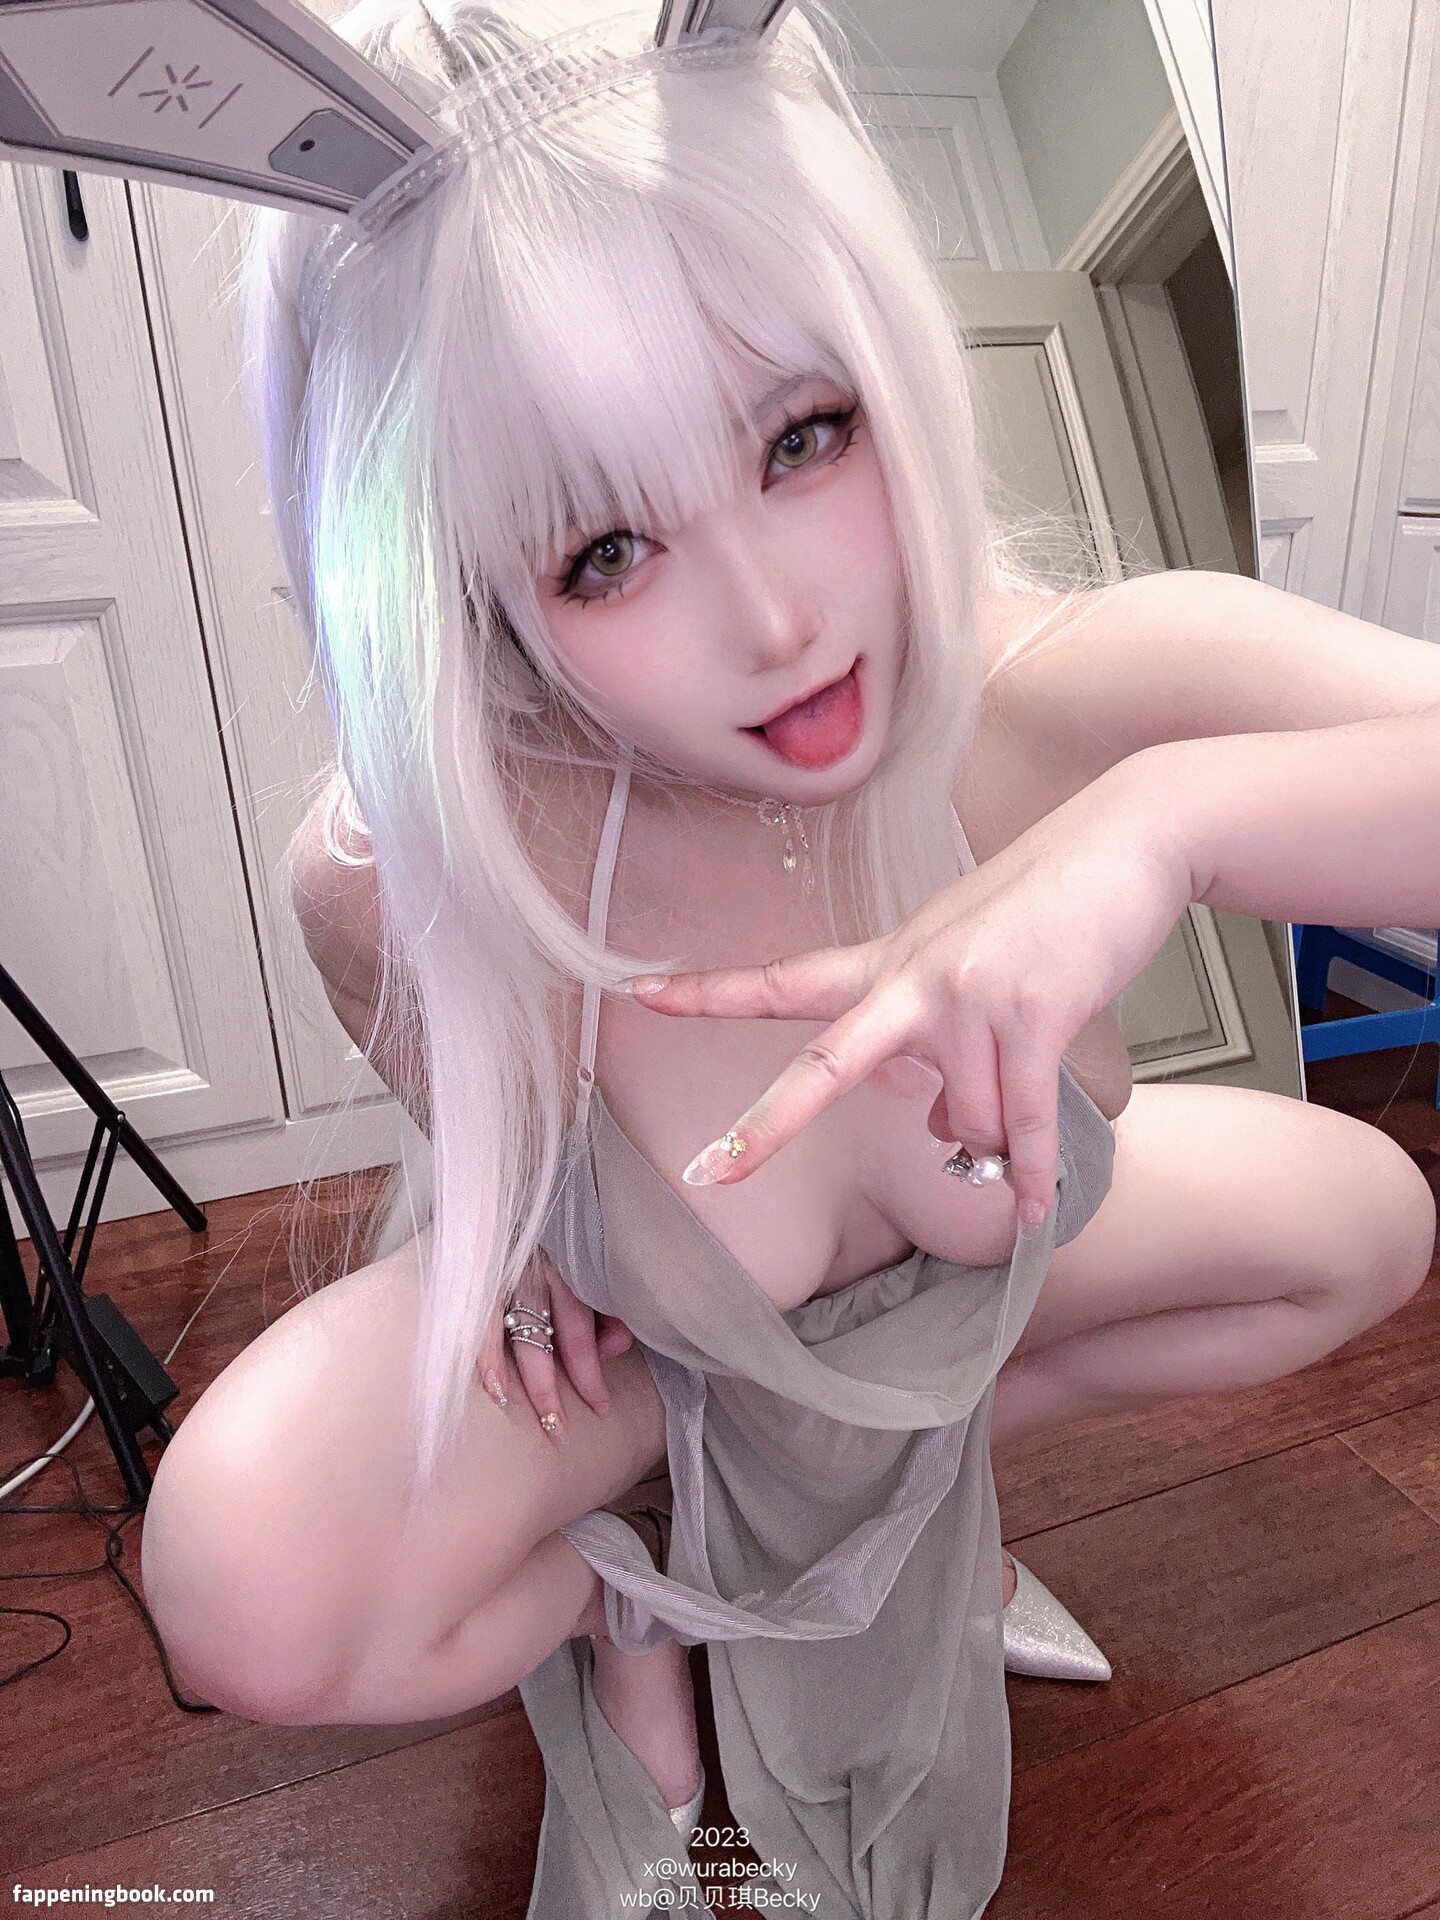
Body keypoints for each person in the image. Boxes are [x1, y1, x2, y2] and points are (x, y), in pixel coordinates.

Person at [136, 1, 1440, 1913]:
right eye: (603, 551)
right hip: (684, 1384)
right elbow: (433, 1064)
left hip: (951, 1325)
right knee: (244, 1583)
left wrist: (1161, 825)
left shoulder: (1042, 697)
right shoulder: (418, 870)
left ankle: (917, 1504)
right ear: (473, 588)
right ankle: (641, 1595)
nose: (772, 621)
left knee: (1366, 1223)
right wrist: (517, 1220)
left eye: (801, 436)